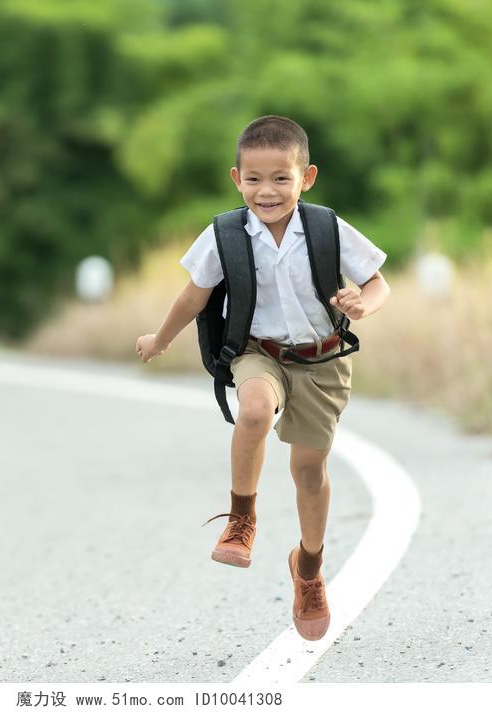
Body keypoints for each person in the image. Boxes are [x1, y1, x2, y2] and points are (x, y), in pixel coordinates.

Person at [135, 115, 390, 640]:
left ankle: (308, 567)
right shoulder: (225, 235)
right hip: (258, 352)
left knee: (309, 473)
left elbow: (377, 282)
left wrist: (363, 304)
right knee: (253, 410)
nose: (266, 191)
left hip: (321, 360)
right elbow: (193, 296)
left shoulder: (326, 228)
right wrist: (160, 338)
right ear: (237, 179)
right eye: (253, 179)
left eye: (280, 178)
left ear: (306, 177)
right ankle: (241, 520)